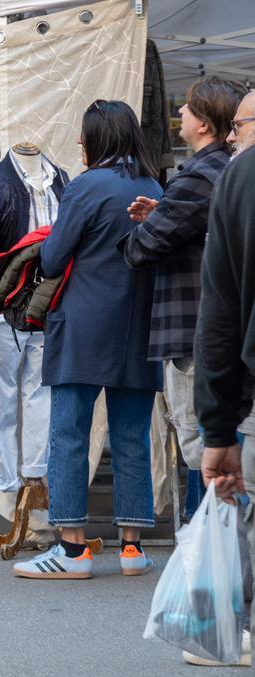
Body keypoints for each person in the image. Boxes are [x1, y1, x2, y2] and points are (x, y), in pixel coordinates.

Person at [13, 100, 162, 581]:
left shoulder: (86, 186)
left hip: (83, 325)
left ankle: (72, 551)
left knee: (69, 435)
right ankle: (132, 549)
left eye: (84, 135)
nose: (79, 142)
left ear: (100, 138)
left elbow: (54, 259)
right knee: (132, 436)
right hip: (138, 325)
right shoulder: (151, 186)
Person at [121, 76, 238, 510]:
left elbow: (139, 249)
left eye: (186, 109)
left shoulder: (200, 175)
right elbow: (200, 229)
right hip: (214, 328)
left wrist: (156, 220)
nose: (180, 115)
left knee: (199, 447)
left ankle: (219, 556)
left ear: (204, 123)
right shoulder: (227, 170)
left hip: (191, 330)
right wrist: (166, 213)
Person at [196, 115, 255, 669]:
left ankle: (244, 629)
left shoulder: (239, 178)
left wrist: (218, 427)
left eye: (241, 123)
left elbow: (220, 314)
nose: (233, 135)